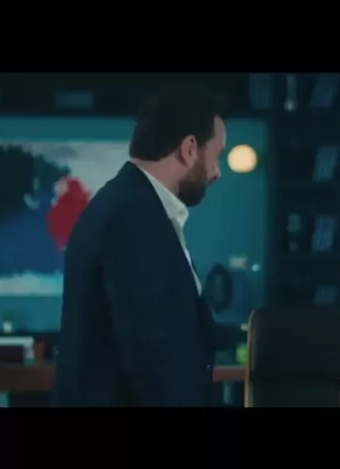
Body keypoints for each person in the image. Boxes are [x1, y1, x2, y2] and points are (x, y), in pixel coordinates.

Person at [50, 86, 226, 407]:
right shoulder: (134, 216)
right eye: (216, 155)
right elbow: (151, 355)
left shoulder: (127, 204)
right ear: (189, 149)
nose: (217, 172)